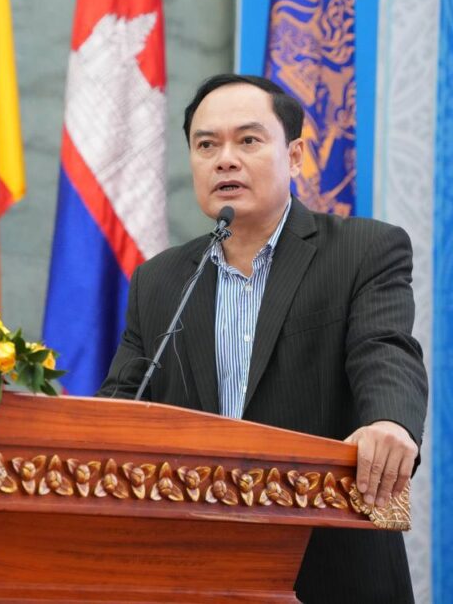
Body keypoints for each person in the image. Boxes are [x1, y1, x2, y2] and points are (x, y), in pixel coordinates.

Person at [99, 74, 428, 603]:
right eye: (207, 145)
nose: (225, 160)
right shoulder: (159, 280)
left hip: (328, 564)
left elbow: (384, 349)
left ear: (294, 156)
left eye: (248, 140)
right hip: (192, 569)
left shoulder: (363, 251)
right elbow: (121, 404)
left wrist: (390, 421)